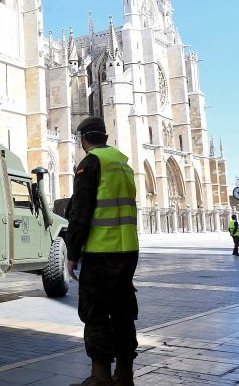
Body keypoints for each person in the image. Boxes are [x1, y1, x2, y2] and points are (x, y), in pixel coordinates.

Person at [66, 116, 139, 386]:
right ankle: (124, 375)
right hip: (128, 251)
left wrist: (72, 253)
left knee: (95, 312)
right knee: (123, 313)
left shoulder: (91, 162)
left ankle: (100, 378)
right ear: (105, 136)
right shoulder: (123, 163)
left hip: (100, 252)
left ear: (84, 138)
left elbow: (80, 214)